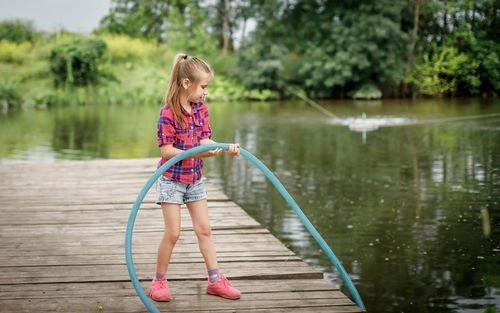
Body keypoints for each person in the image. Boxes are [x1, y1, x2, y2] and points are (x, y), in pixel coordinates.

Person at [150, 53, 241, 302]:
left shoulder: (202, 109)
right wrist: (197, 151)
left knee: (205, 230)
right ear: (186, 83)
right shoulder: (168, 113)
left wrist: (221, 148)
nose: (205, 92)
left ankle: (215, 281)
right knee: (173, 233)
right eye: (203, 86)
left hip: (195, 178)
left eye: (207, 87)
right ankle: (158, 282)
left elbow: (205, 141)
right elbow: (167, 151)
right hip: (171, 179)